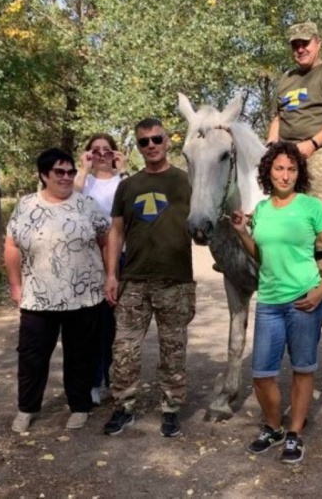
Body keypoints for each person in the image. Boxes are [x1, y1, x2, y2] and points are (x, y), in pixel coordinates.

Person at [230, 142, 322, 464]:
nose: (285, 175)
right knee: (262, 374)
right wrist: (242, 232)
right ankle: (273, 427)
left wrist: (321, 290)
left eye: (291, 169)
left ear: (299, 173)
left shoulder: (311, 207)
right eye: (279, 168)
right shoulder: (262, 210)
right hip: (269, 301)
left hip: (303, 300)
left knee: (302, 370)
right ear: (268, 172)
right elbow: (261, 256)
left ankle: (294, 433)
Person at [102, 118, 196, 438]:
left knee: (173, 349)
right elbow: (116, 231)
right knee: (124, 348)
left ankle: (171, 408)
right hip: (134, 280)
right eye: (144, 141)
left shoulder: (186, 181)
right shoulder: (127, 187)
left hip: (175, 281)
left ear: (167, 141)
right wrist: (111, 274)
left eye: (157, 139)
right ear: (138, 147)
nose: (152, 145)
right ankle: (123, 407)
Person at [4, 148, 109, 432]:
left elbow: (106, 240)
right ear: (43, 175)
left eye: (71, 172)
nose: (66, 177)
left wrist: (111, 274)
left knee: (80, 355)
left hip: (84, 297)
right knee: (32, 356)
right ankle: (27, 408)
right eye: (59, 172)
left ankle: (79, 406)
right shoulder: (26, 206)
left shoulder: (86, 205)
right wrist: (15, 285)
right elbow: (11, 245)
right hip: (38, 297)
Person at [266, 21, 322, 200]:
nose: (300, 49)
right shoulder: (287, 78)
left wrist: (311, 144)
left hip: (321, 148)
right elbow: (278, 117)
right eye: (295, 45)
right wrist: (270, 146)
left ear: (318, 43)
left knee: (313, 180)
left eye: (305, 43)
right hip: (286, 149)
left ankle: (320, 227)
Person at [73, 134, 128, 405]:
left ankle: (114, 380)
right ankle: (94, 380)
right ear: (87, 155)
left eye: (107, 150)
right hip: (91, 258)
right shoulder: (83, 182)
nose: (102, 155)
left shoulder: (125, 182)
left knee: (117, 323)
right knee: (94, 323)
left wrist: (125, 170)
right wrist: (83, 169)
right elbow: (71, 203)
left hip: (122, 257)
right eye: (95, 151)